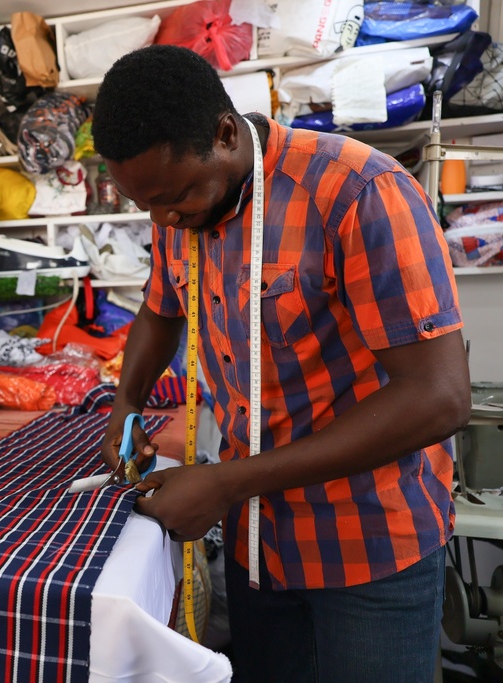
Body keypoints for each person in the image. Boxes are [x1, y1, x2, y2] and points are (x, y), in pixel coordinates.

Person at [92, 45, 470, 682]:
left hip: (369, 547)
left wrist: (229, 482)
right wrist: (127, 401)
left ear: (224, 132)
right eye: (145, 205)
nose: (161, 218)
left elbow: (438, 397)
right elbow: (161, 309)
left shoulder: (359, 192)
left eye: (175, 197)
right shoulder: (177, 204)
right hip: (259, 548)